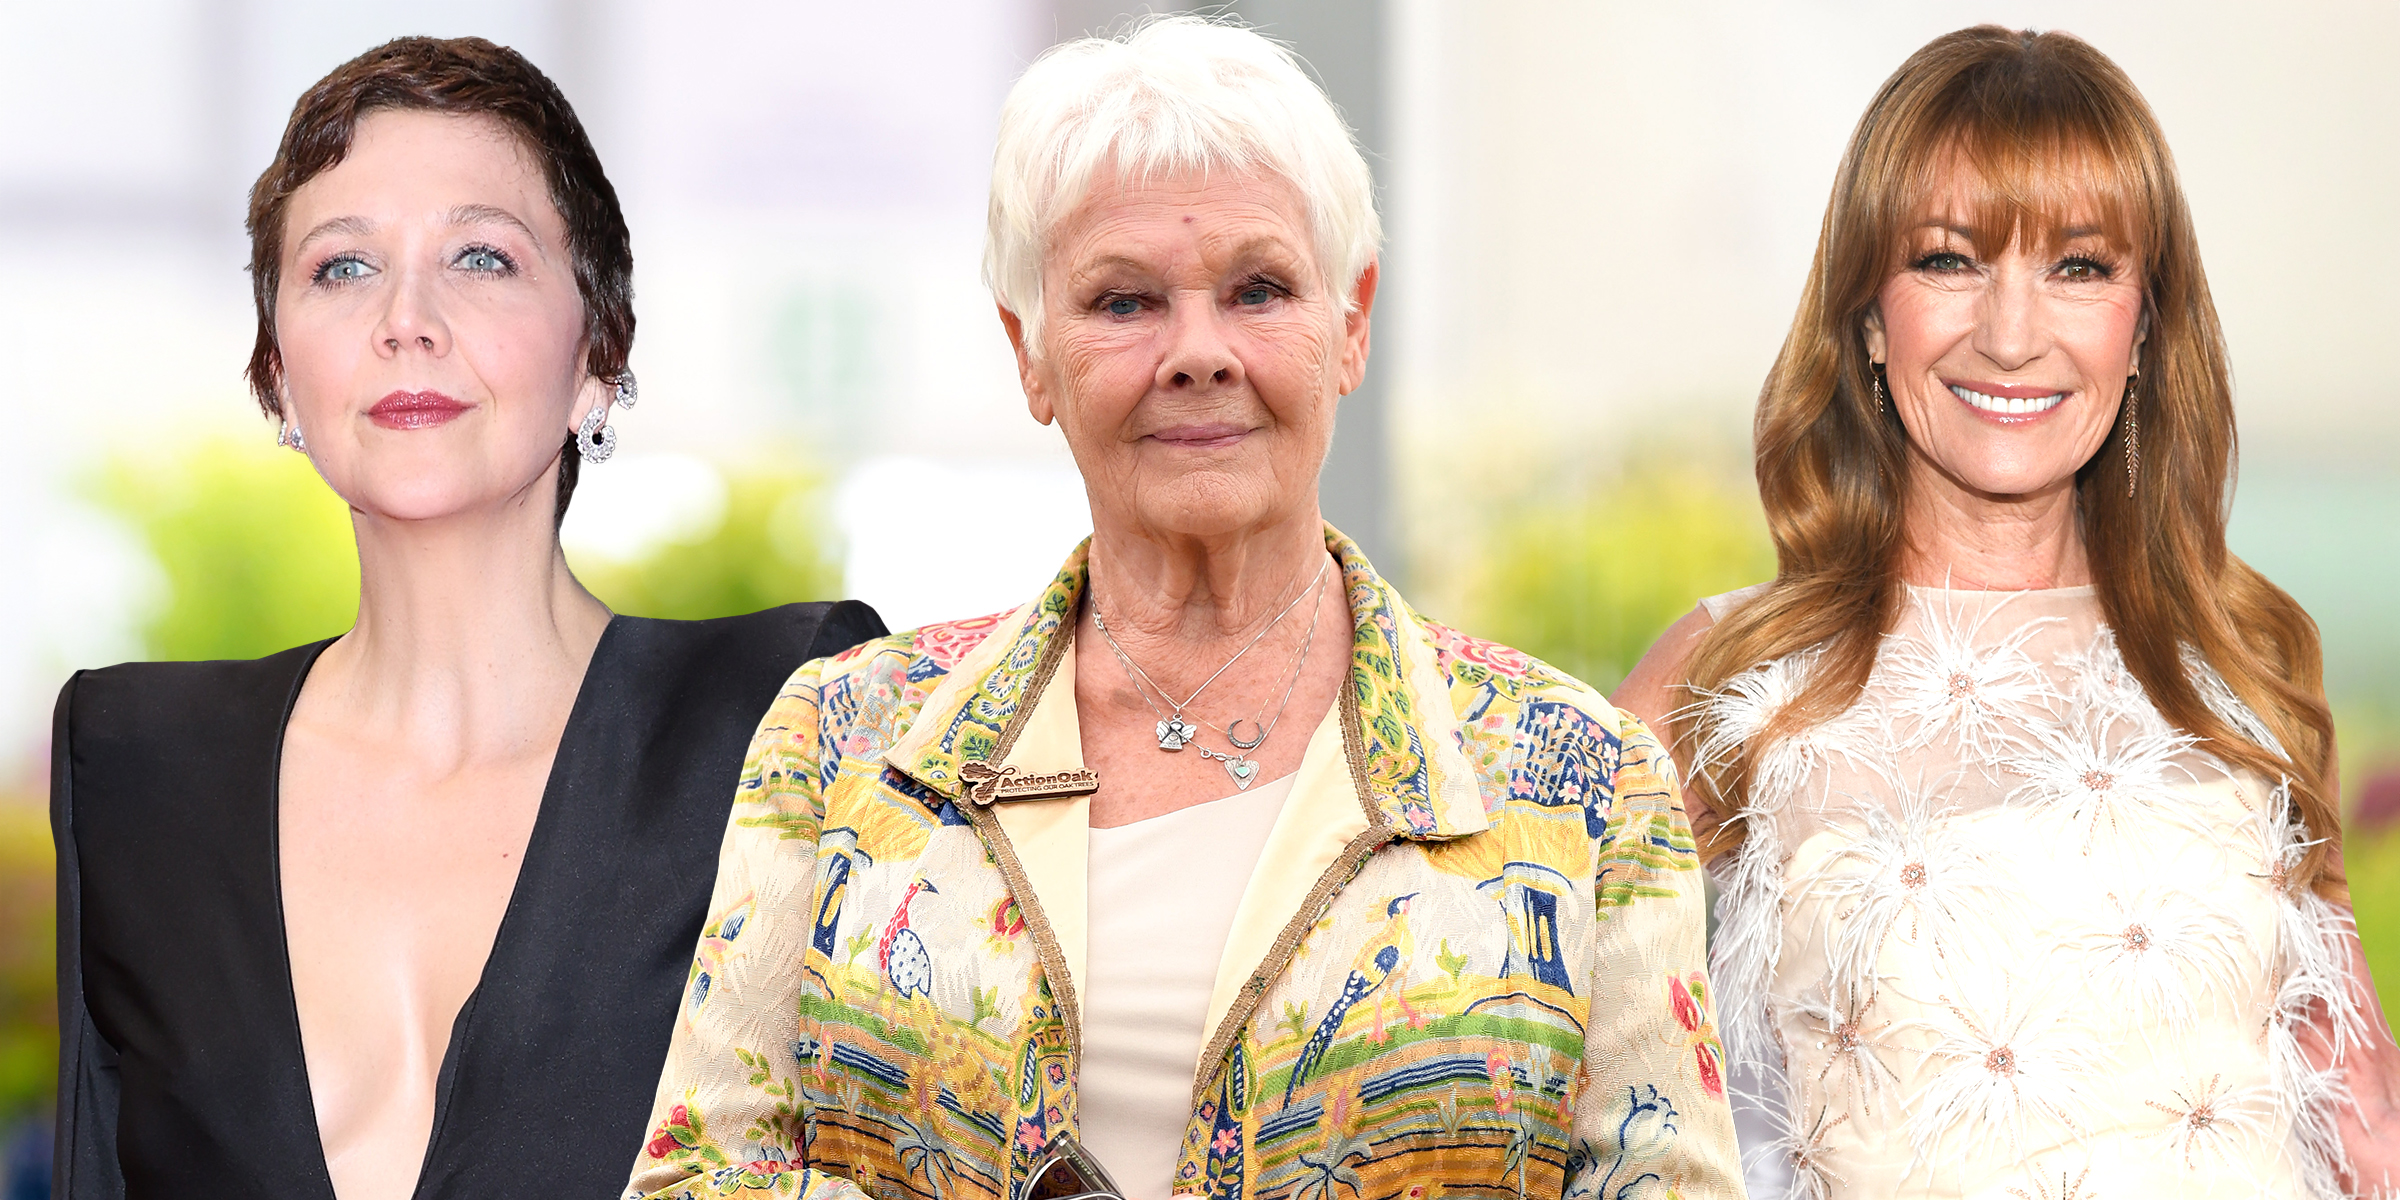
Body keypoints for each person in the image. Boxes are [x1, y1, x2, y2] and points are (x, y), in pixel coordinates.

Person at [624, 16, 1742, 1200]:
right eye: (1123, 302)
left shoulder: (1584, 780)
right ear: (1031, 353)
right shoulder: (842, 742)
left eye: (1259, 290)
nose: (1198, 352)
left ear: (1350, 323)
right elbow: (700, 1178)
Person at [49, 37, 884, 1200]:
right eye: (343, 268)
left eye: (481, 257)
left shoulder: (791, 716)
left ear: (599, 353)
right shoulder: (136, 763)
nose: (408, 318)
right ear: (278, 374)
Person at [1613, 26, 2399, 1200]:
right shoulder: (1735, 674)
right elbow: (1543, 1065)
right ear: (1870, 318)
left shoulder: (2249, 660)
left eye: (2080, 267)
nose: (2013, 334)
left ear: (2144, 327)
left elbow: (2362, 1116)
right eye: (1949, 260)